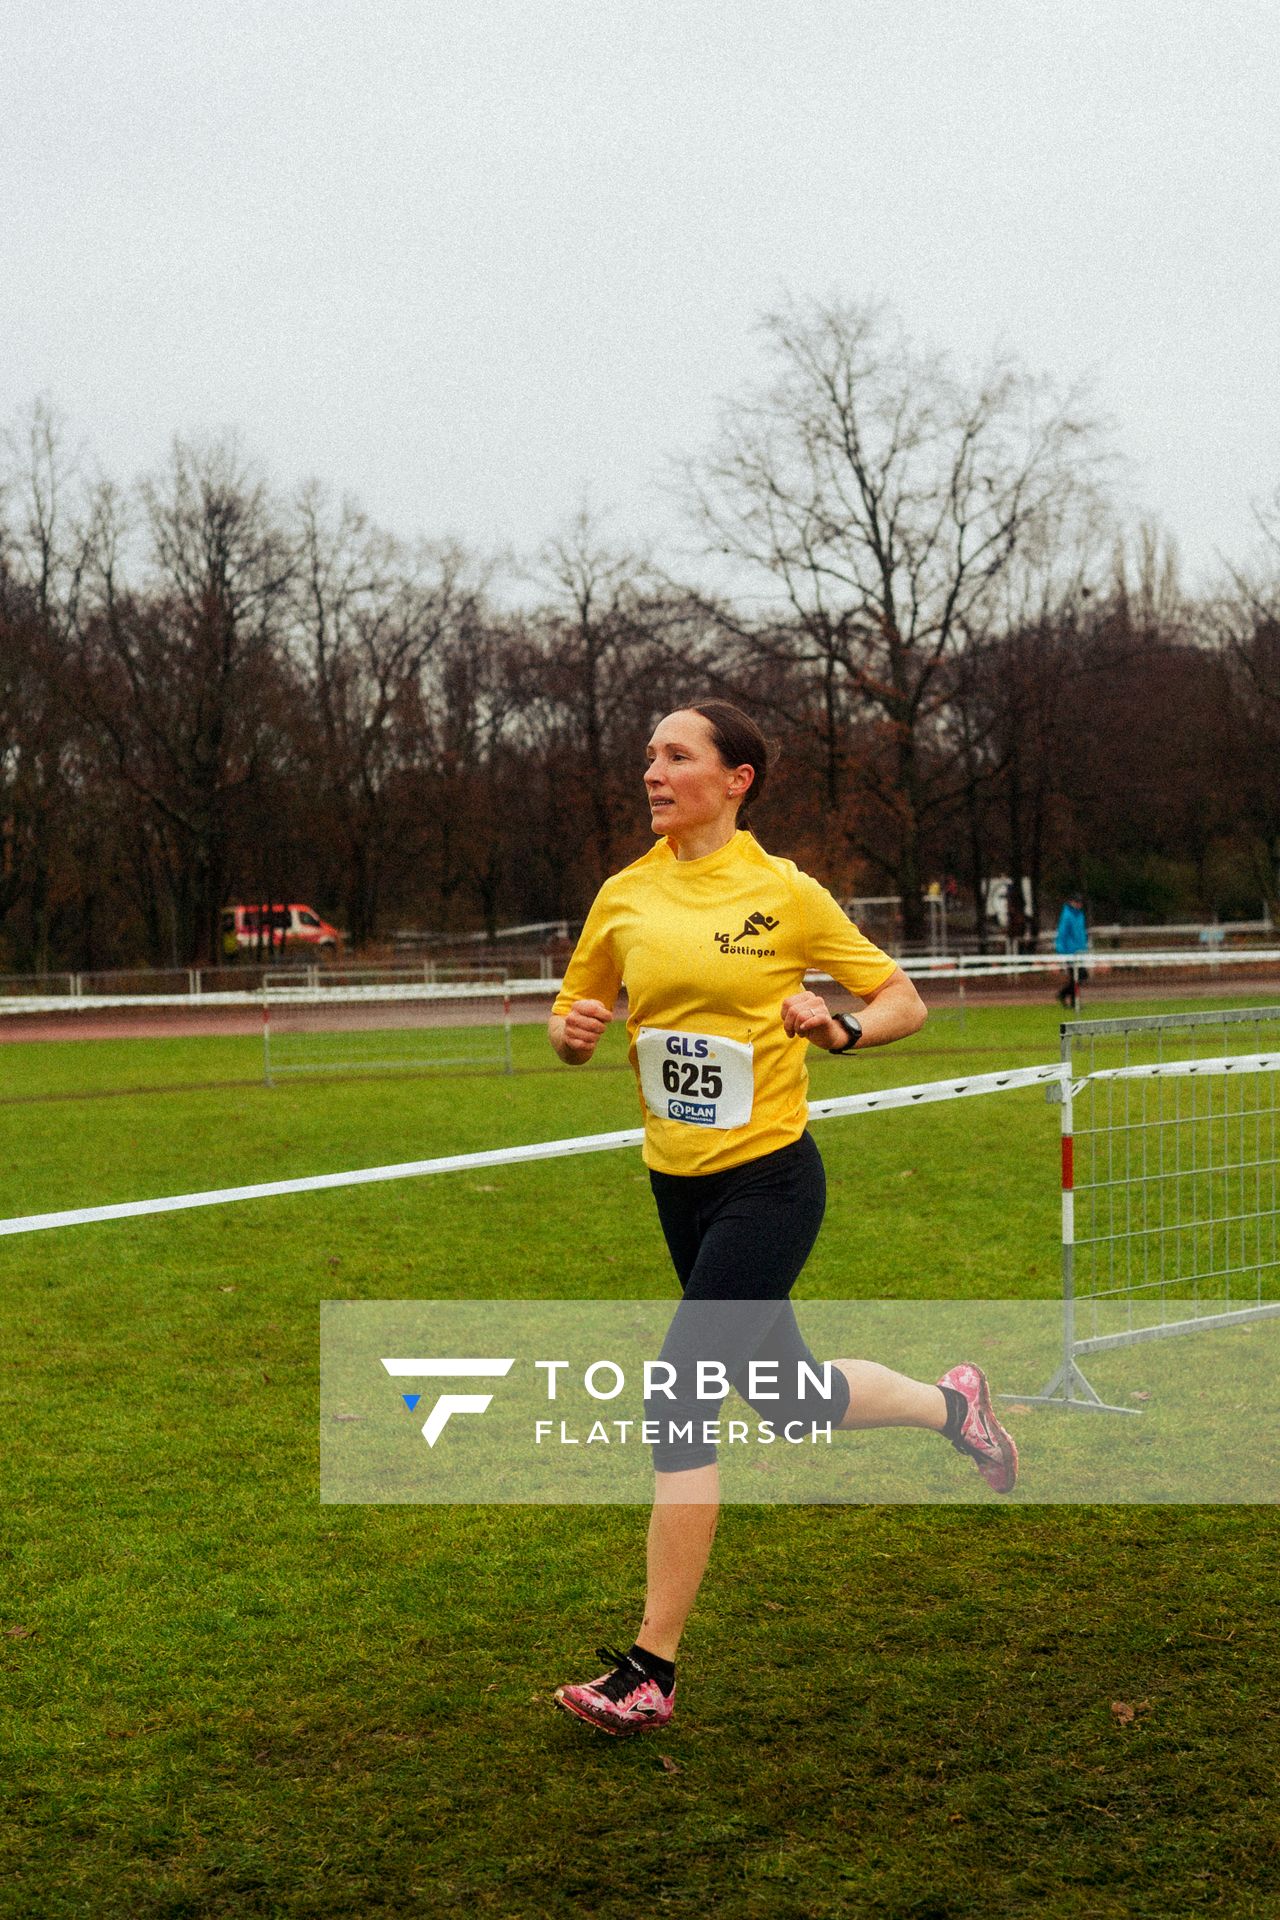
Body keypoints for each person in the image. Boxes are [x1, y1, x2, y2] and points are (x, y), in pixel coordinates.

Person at [547, 702, 1019, 1739]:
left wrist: (838, 1027)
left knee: (678, 1394)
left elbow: (900, 998)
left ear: (736, 779)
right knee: (792, 1404)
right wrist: (573, 1031)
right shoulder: (623, 896)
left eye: (674, 756)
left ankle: (648, 1671)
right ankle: (955, 1408)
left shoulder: (783, 892)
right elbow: (574, 1013)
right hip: (678, 1183)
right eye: (648, 755)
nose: (651, 773)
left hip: (768, 1181)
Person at [1055, 890, 1089, 1009]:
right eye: (1077, 902)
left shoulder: (1079, 915)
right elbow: (1062, 933)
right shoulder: (1067, 916)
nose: (1079, 904)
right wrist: (1061, 951)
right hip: (1069, 952)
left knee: (1079, 976)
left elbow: (1081, 934)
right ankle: (1067, 996)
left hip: (1079, 951)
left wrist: (1084, 947)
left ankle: (1067, 996)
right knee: (1079, 975)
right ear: (1072, 902)